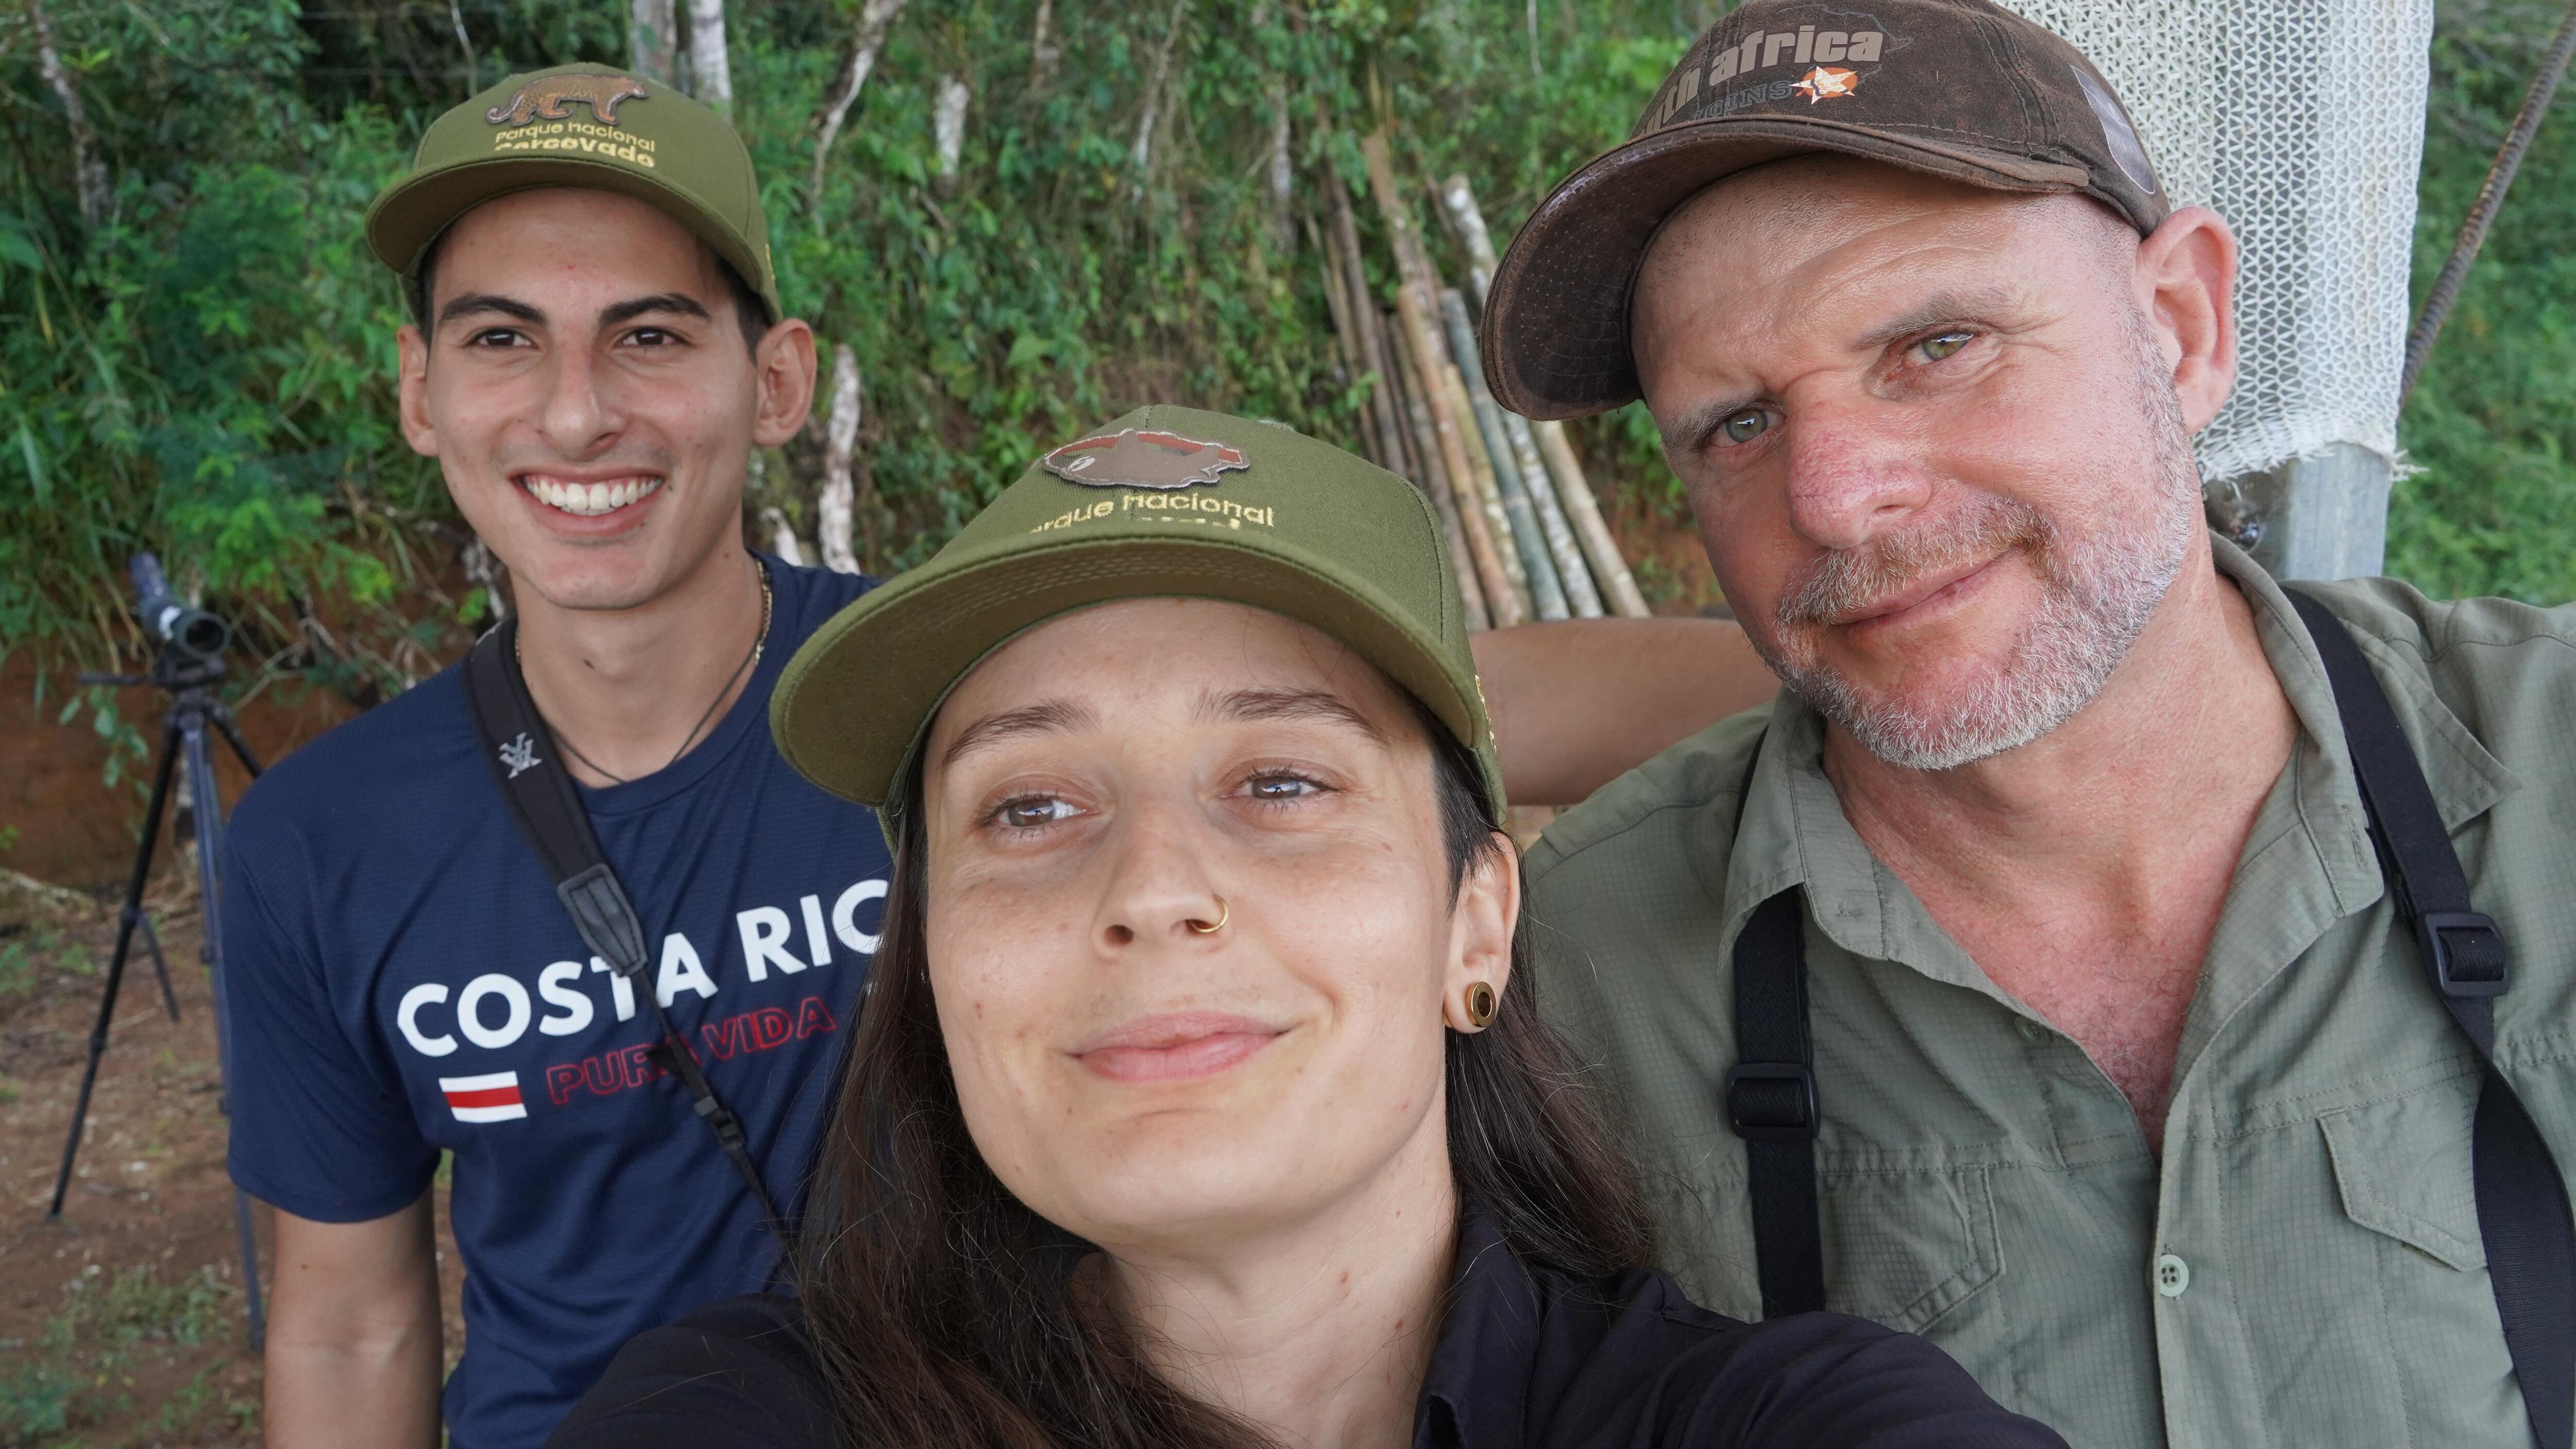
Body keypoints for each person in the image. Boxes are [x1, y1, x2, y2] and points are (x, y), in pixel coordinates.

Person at [1474, 0, 2576, 1445]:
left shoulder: (2547, 773)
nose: (1834, 497)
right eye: (1738, 425)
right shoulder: (1572, 991)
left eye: (1937, 344)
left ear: (2181, 328)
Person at [545, 406, 2069, 1449]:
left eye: (1280, 780)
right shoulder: (743, 1415)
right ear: (934, 961)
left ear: (1477, 926)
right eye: (1027, 808)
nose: (1150, 889)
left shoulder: (1772, 1420)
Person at [221, 66, 895, 1447]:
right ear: (419, 393)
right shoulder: (320, 842)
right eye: (502, 341)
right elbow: (353, 1322)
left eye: (648, 336)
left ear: (775, 382)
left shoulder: (939, 696)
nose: (577, 416)